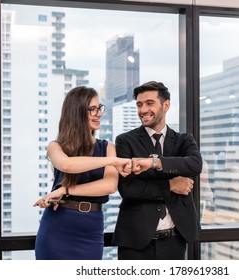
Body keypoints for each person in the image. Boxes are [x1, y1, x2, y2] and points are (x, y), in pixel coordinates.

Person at [33, 86, 131, 260]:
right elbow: (67, 165)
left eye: (99, 108)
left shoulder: (108, 147)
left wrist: (65, 190)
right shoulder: (56, 146)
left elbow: (108, 186)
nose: (99, 113)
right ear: (76, 112)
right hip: (57, 228)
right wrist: (113, 161)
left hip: (91, 229)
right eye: (92, 109)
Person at [112, 81, 203, 260]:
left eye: (149, 103)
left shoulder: (183, 140)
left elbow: (194, 165)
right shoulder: (125, 141)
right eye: (139, 104)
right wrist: (171, 184)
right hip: (135, 241)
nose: (143, 110)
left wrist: (154, 163)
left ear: (166, 105)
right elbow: (128, 188)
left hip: (175, 240)